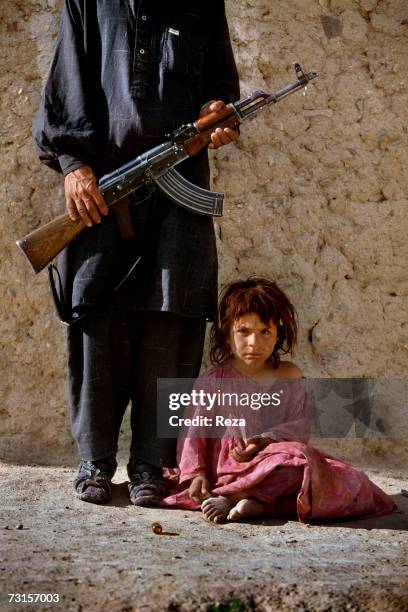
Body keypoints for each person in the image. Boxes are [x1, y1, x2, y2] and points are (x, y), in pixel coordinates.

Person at [32, 2, 240, 505]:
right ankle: (95, 463)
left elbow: (220, 89)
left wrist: (221, 120)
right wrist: (74, 164)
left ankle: (153, 464)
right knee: (95, 317)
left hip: (180, 185)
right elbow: (68, 80)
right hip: (103, 188)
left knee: (174, 317)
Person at [161, 278, 396, 523]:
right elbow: (193, 434)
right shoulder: (212, 382)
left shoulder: (288, 375)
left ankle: (251, 504)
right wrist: (196, 474)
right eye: (243, 331)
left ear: (278, 333)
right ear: (226, 331)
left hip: (277, 463)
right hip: (230, 471)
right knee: (298, 470)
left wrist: (265, 441)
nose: (254, 343)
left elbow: (300, 425)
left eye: (265, 331)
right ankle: (239, 497)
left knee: (339, 477)